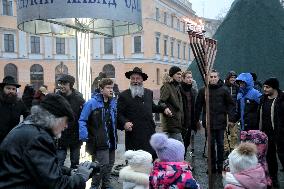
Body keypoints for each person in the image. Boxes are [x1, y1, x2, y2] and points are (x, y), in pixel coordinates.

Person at [0, 93, 93, 188]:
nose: (66, 126)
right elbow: (56, 185)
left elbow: (42, 168)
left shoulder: (29, 128)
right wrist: (81, 177)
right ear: (54, 118)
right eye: (65, 121)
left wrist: (70, 172)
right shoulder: (38, 138)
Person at [117, 67, 172, 158]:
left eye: (138, 78)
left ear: (142, 80)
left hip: (149, 132)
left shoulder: (148, 93)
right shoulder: (124, 95)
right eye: (133, 79)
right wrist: (125, 123)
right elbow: (119, 113)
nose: (135, 81)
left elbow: (152, 107)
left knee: (151, 158)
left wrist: (164, 108)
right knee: (135, 161)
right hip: (133, 134)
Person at [79, 78, 117, 189]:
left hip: (112, 139)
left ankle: (106, 185)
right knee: (101, 165)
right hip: (99, 141)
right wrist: (84, 136)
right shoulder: (92, 103)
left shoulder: (112, 103)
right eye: (108, 88)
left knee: (110, 164)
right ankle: (94, 186)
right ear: (101, 89)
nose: (111, 90)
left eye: (112, 88)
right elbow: (82, 120)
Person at [195, 69, 235, 173]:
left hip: (221, 122)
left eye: (214, 77)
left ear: (218, 78)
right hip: (208, 122)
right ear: (207, 78)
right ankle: (211, 166)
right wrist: (196, 120)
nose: (213, 79)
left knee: (221, 144)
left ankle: (220, 165)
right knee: (210, 145)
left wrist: (231, 118)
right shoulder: (203, 90)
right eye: (211, 77)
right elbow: (198, 106)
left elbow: (230, 104)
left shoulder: (224, 90)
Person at [258, 77, 284, 188]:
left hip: (280, 135)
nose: (264, 89)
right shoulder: (263, 99)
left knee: (283, 156)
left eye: (267, 87)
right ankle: (273, 179)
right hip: (266, 135)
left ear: (274, 88)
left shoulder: (282, 100)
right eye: (264, 86)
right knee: (270, 158)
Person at [56, 74, 85, 169]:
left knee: (75, 162)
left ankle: (74, 181)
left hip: (75, 135)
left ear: (71, 85)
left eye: (64, 83)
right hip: (60, 135)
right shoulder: (56, 98)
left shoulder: (78, 99)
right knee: (59, 161)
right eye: (60, 83)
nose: (61, 86)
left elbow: (83, 117)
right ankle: (58, 182)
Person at [0, 76, 29, 144]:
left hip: (13, 140)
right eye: (8, 88)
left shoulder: (19, 102)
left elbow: (28, 115)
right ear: (2, 89)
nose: (11, 91)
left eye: (13, 89)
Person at [159, 66, 184, 142]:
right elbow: (161, 102)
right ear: (172, 75)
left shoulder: (177, 87)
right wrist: (165, 108)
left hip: (177, 124)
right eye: (178, 74)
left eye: (180, 74)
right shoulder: (167, 87)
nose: (180, 76)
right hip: (171, 125)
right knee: (176, 150)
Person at [180, 71, 198, 157]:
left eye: (191, 77)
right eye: (188, 77)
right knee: (180, 144)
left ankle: (183, 162)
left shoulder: (193, 91)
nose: (190, 79)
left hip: (190, 121)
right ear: (183, 79)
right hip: (182, 122)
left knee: (186, 143)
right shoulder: (179, 89)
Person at [223, 71, 239, 157]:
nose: (233, 79)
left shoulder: (237, 87)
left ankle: (233, 149)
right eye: (231, 77)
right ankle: (226, 149)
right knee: (225, 133)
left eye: (234, 77)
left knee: (234, 133)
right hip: (225, 114)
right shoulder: (224, 87)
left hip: (234, 113)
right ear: (228, 78)